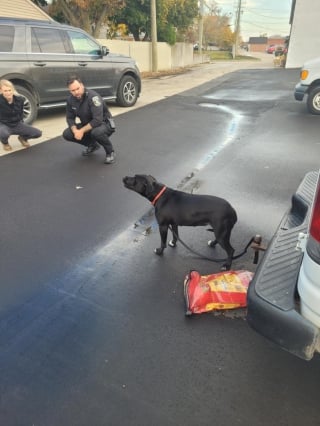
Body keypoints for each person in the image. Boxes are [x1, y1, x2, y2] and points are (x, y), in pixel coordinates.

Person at [62, 75, 116, 164]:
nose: (76, 92)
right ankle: (93, 145)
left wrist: (81, 131)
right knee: (67, 134)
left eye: (77, 88)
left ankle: (110, 152)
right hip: (88, 124)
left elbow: (97, 120)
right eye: (73, 90)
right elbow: (70, 118)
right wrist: (75, 130)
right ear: (69, 90)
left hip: (104, 123)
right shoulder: (70, 100)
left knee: (96, 132)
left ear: (82, 85)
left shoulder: (93, 97)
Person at [0, 79, 42, 151]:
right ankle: (5, 143)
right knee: (3, 133)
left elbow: (20, 114)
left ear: (13, 90)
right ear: (1, 91)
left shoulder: (20, 100)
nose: (8, 93)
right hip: (4, 124)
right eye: (5, 91)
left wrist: (22, 126)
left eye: (9, 90)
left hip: (17, 124)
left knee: (37, 133)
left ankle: (22, 138)